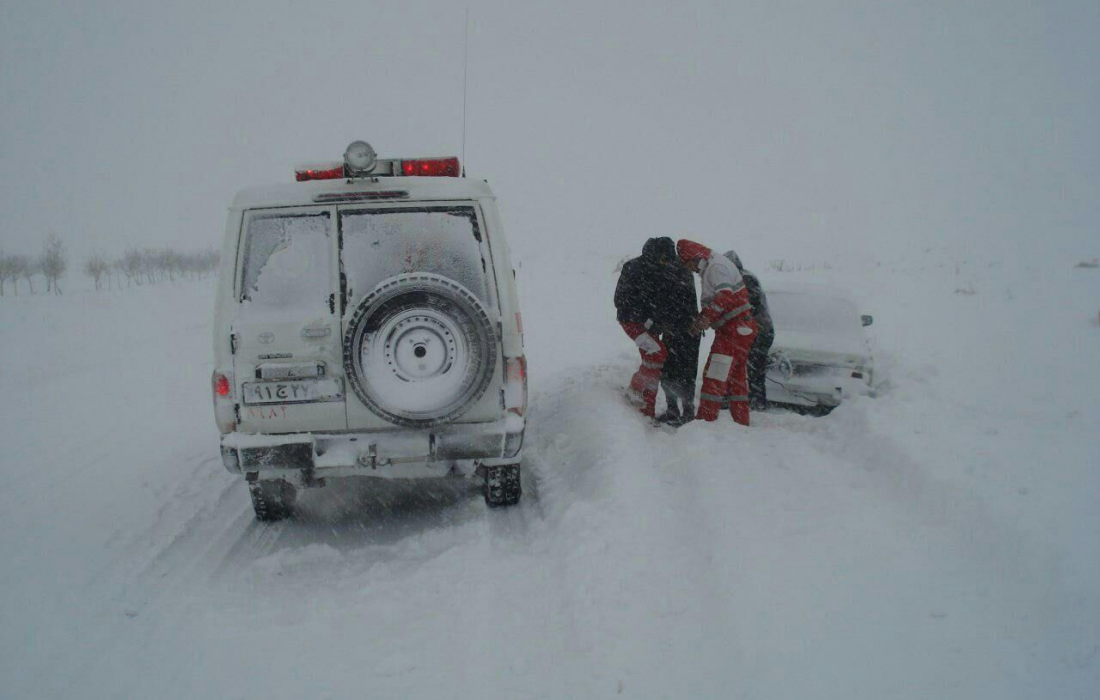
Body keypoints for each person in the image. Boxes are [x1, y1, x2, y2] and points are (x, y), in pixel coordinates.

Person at [614, 237, 698, 421]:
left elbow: (663, 300)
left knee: (654, 365)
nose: (666, 263)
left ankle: (647, 412)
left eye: (668, 259)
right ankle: (635, 389)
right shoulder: (634, 268)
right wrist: (645, 319)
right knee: (657, 355)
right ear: (656, 256)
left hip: (652, 325)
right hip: (632, 323)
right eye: (664, 259)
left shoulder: (663, 268)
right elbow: (622, 301)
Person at [677, 239, 757, 426]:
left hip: (733, 333)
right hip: (740, 330)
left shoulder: (716, 267)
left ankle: (705, 423)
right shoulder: (716, 265)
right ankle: (741, 423)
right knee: (737, 381)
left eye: (688, 264)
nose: (690, 270)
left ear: (695, 258)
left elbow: (724, 296)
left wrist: (705, 318)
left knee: (714, 377)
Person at [725, 251, 773, 410]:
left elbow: (749, 306)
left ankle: (757, 403)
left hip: (760, 331)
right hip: (756, 330)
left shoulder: (745, 279)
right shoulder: (741, 277)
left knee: (754, 368)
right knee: (743, 365)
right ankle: (746, 398)